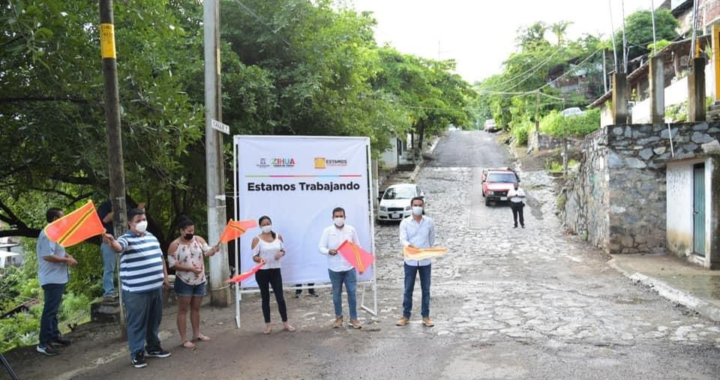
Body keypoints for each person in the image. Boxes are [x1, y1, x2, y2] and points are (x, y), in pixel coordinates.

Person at [104, 208, 171, 369]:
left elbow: (160, 257)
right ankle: (137, 353)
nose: (142, 223)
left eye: (144, 219)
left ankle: (153, 347)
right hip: (136, 291)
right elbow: (118, 247)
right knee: (137, 323)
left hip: (155, 288)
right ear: (130, 223)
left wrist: (165, 276)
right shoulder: (126, 238)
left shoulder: (151, 237)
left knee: (154, 320)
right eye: (138, 221)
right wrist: (111, 240)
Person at [167, 216, 219, 348]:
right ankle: (183, 339)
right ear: (182, 231)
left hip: (199, 279)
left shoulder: (199, 240)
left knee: (196, 309)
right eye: (188, 231)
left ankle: (197, 333)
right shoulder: (175, 245)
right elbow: (172, 265)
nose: (191, 233)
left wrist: (214, 250)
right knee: (182, 309)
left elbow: (207, 252)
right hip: (184, 280)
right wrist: (189, 269)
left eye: (192, 231)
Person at [36, 208, 77, 356]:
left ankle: (54, 335)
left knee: (54, 309)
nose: (64, 220)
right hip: (51, 278)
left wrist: (67, 255)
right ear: (55, 219)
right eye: (62, 217)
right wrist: (67, 260)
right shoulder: (48, 233)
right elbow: (47, 256)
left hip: (57, 277)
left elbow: (57, 251)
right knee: (50, 310)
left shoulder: (55, 234)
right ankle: (44, 342)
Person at [318, 207, 362, 329]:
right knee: (336, 294)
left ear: (345, 217)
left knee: (352, 293)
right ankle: (338, 318)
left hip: (349, 267)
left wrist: (354, 254)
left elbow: (358, 246)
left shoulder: (351, 230)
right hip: (334, 268)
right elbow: (320, 247)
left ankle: (354, 318)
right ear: (332, 218)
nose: (339, 218)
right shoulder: (327, 231)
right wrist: (328, 251)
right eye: (336, 216)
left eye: (341, 216)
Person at [251, 216, 295, 334]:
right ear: (260, 226)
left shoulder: (277, 237)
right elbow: (254, 256)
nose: (267, 226)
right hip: (262, 272)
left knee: (280, 297)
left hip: (275, 270)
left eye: (268, 223)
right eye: (264, 224)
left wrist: (281, 253)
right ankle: (268, 324)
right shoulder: (257, 239)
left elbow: (283, 250)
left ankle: (285, 322)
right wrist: (260, 259)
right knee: (265, 298)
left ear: (271, 224)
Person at [397, 197, 436, 328]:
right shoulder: (405, 223)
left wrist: (425, 251)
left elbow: (431, 239)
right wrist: (411, 246)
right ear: (411, 206)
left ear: (423, 206)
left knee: (426, 290)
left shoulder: (429, 222)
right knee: (408, 289)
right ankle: (405, 315)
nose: (418, 207)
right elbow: (402, 239)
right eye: (415, 205)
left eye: (420, 205)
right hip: (410, 260)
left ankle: (426, 316)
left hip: (425, 261)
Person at [97, 199, 144, 301]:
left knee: (129, 265)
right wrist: (118, 211)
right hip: (109, 241)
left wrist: (139, 209)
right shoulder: (105, 205)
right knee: (109, 268)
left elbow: (133, 219)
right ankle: (109, 292)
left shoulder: (126, 204)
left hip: (126, 240)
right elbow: (104, 220)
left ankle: (129, 289)